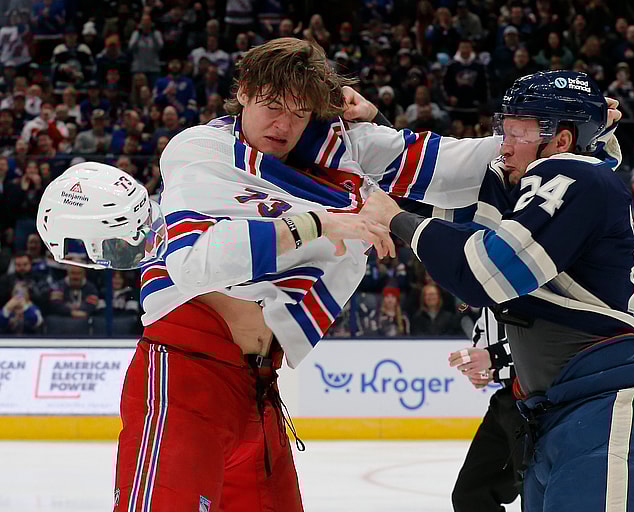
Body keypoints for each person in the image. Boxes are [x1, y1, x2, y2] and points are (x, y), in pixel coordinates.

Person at [38, 37, 502, 512]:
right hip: (183, 374)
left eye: (300, 113)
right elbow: (194, 262)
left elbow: (461, 165)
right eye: (272, 106)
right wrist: (318, 222)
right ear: (243, 91)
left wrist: (554, 137)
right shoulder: (201, 149)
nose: (283, 125)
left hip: (259, 387)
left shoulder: (343, 150)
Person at [361, 71, 634, 511]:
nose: (504, 144)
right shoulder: (541, 188)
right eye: (503, 129)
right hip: (554, 412)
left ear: (562, 141)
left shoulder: (577, 178)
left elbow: (485, 270)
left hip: (599, 413)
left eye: (520, 131)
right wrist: (375, 123)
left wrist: (397, 221)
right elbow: (460, 206)